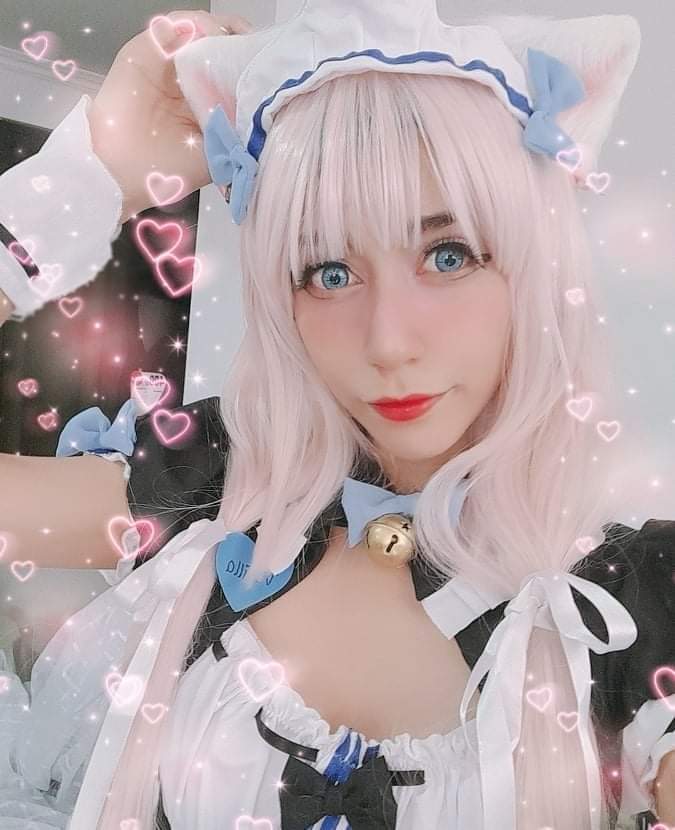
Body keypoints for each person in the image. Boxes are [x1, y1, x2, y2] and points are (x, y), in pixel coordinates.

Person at [0, 4, 673, 830]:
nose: (387, 341)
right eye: (327, 272)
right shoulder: (220, 484)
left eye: (448, 255)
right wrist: (87, 180)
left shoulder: (631, 601)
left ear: (532, 269)